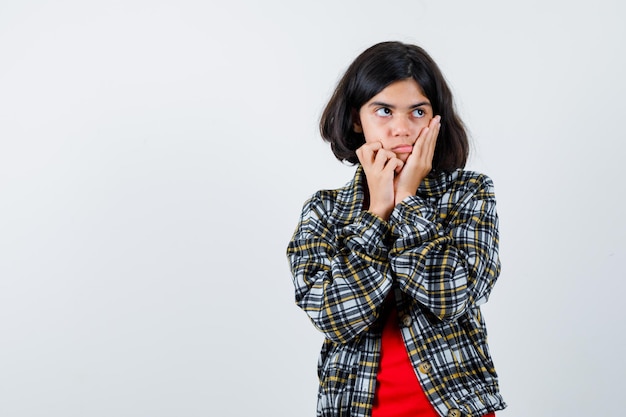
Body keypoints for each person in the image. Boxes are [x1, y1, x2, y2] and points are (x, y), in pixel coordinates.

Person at [286, 41, 506, 417]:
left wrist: (407, 201)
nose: (402, 129)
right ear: (358, 119)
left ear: (436, 118)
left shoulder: (469, 193)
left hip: (455, 407)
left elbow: (451, 297)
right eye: (384, 111)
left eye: (417, 112)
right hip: (357, 407)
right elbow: (335, 317)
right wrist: (377, 212)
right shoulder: (324, 211)